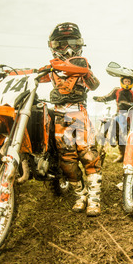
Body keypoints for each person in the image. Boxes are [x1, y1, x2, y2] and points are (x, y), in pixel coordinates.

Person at [40, 22, 102, 217]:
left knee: (88, 155)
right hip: (59, 116)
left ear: (80, 44)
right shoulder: (51, 67)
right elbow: (32, 73)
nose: (67, 48)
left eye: (73, 43)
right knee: (66, 160)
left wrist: (85, 71)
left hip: (79, 114)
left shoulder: (82, 64)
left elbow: (94, 85)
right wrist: (1, 73)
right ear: (53, 46)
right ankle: (80, 194)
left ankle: (94, 198)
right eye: (61, 44)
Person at [93, 76, 133, 163]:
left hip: (131, 116)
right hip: (119, 114)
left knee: (129, 136)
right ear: (122, 82)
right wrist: (98, 99)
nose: (127, 83)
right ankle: (122, 155)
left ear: (131, 83)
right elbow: (107, 97)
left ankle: (132, 156)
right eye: (125, 81)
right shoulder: (117, 90)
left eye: (128, 81)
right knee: (118, 135)